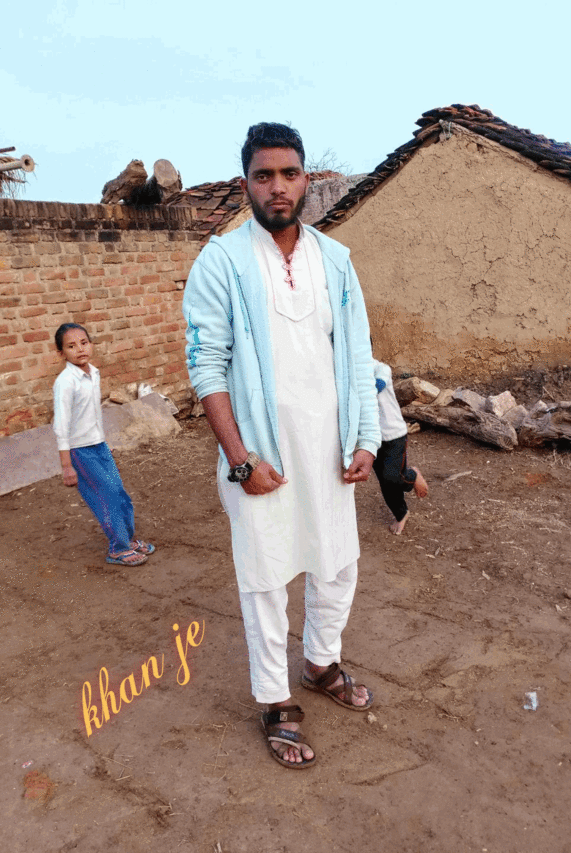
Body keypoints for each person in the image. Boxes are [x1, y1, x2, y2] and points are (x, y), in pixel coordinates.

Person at [183, 122, 381, 768]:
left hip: (330, 451)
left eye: (289, 174)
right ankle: (274, 698)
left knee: (337, 563)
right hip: (260, 457)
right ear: (246, 183)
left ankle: (321, 661)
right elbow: (207, 368)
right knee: (265, 578)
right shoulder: (222, 261)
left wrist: (367, 438)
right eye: (264, 175)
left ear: (305, 180)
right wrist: (240, 460)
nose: (277, 187)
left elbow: (357, 353)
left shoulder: (336, 260)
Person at [52, 322, 155, 567]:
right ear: (61, 353)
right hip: (80, 451)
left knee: (119, 494)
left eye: (84, 343)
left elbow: (91, 415)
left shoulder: (93, 373)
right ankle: (118, 549)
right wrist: (67, 466)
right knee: (106, 497)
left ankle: (128, 540)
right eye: (71, 346)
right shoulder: (66, 382)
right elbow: (61, 426)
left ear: (91, 344)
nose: (80, 349)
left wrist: (103, 444)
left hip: (99, 446)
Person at [372, 359, 428, 535]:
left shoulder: (381, 369)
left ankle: (412, 475)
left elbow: (377, 386)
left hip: (393, 434)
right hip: (371, 438)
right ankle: (401, 513)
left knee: (393, 477)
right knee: (385, 482)